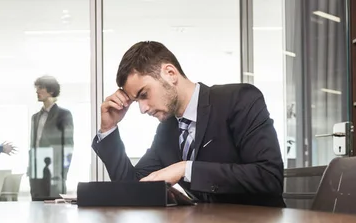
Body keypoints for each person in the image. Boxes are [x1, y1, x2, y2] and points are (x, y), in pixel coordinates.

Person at [93, 41, 285, 207]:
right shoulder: (167, 131)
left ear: (170, 73)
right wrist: (109, 129)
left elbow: (269, 176)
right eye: (136, 101)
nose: (142, 109)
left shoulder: (239, 100)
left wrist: (186, 169)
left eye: (144, 95)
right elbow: (133, 187)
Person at [29, 75, 74, 200]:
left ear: (51, 91)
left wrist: (63, 174)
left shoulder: (64, 115)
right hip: (36, 171)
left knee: (55, 211)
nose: (37, 91)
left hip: (55, 172)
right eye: (37, 88)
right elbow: (33, 144)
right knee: (36, 210)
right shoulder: (35, 117)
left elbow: (68, 146)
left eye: (41, 88)